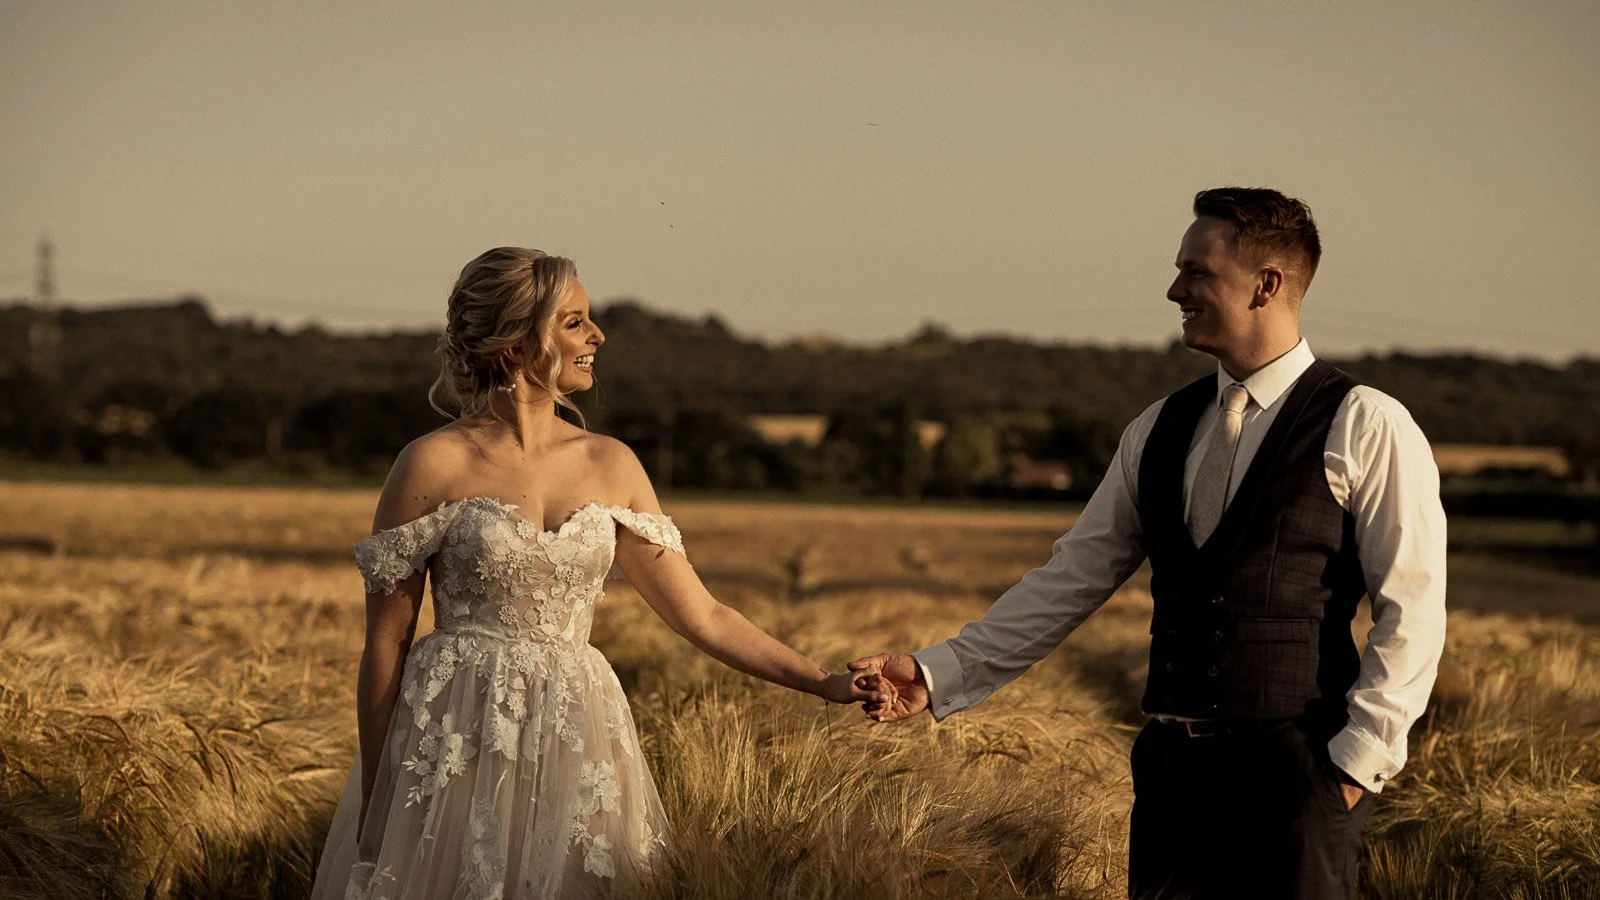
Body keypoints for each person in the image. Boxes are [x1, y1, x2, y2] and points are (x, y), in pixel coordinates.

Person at [853, 188, 1447, 899]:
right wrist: (936, 673)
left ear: (1266, 285)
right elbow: (1071, 577)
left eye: (1197, 272)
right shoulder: (1158, 428)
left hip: (1299, 777)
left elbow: (1413, 607)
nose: (1175, 291)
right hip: (1172, 781)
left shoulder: (1366, 424)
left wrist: (1354, 766)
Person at [311, 247, 880, 899]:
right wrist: (379, 794)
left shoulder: (612, 464)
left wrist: (823, 682)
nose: (598, 336)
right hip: (455, 735)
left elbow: (704, 616)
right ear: (518, 341)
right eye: (575, 321)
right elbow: (386, 644)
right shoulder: (431, 464)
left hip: (576, 733)